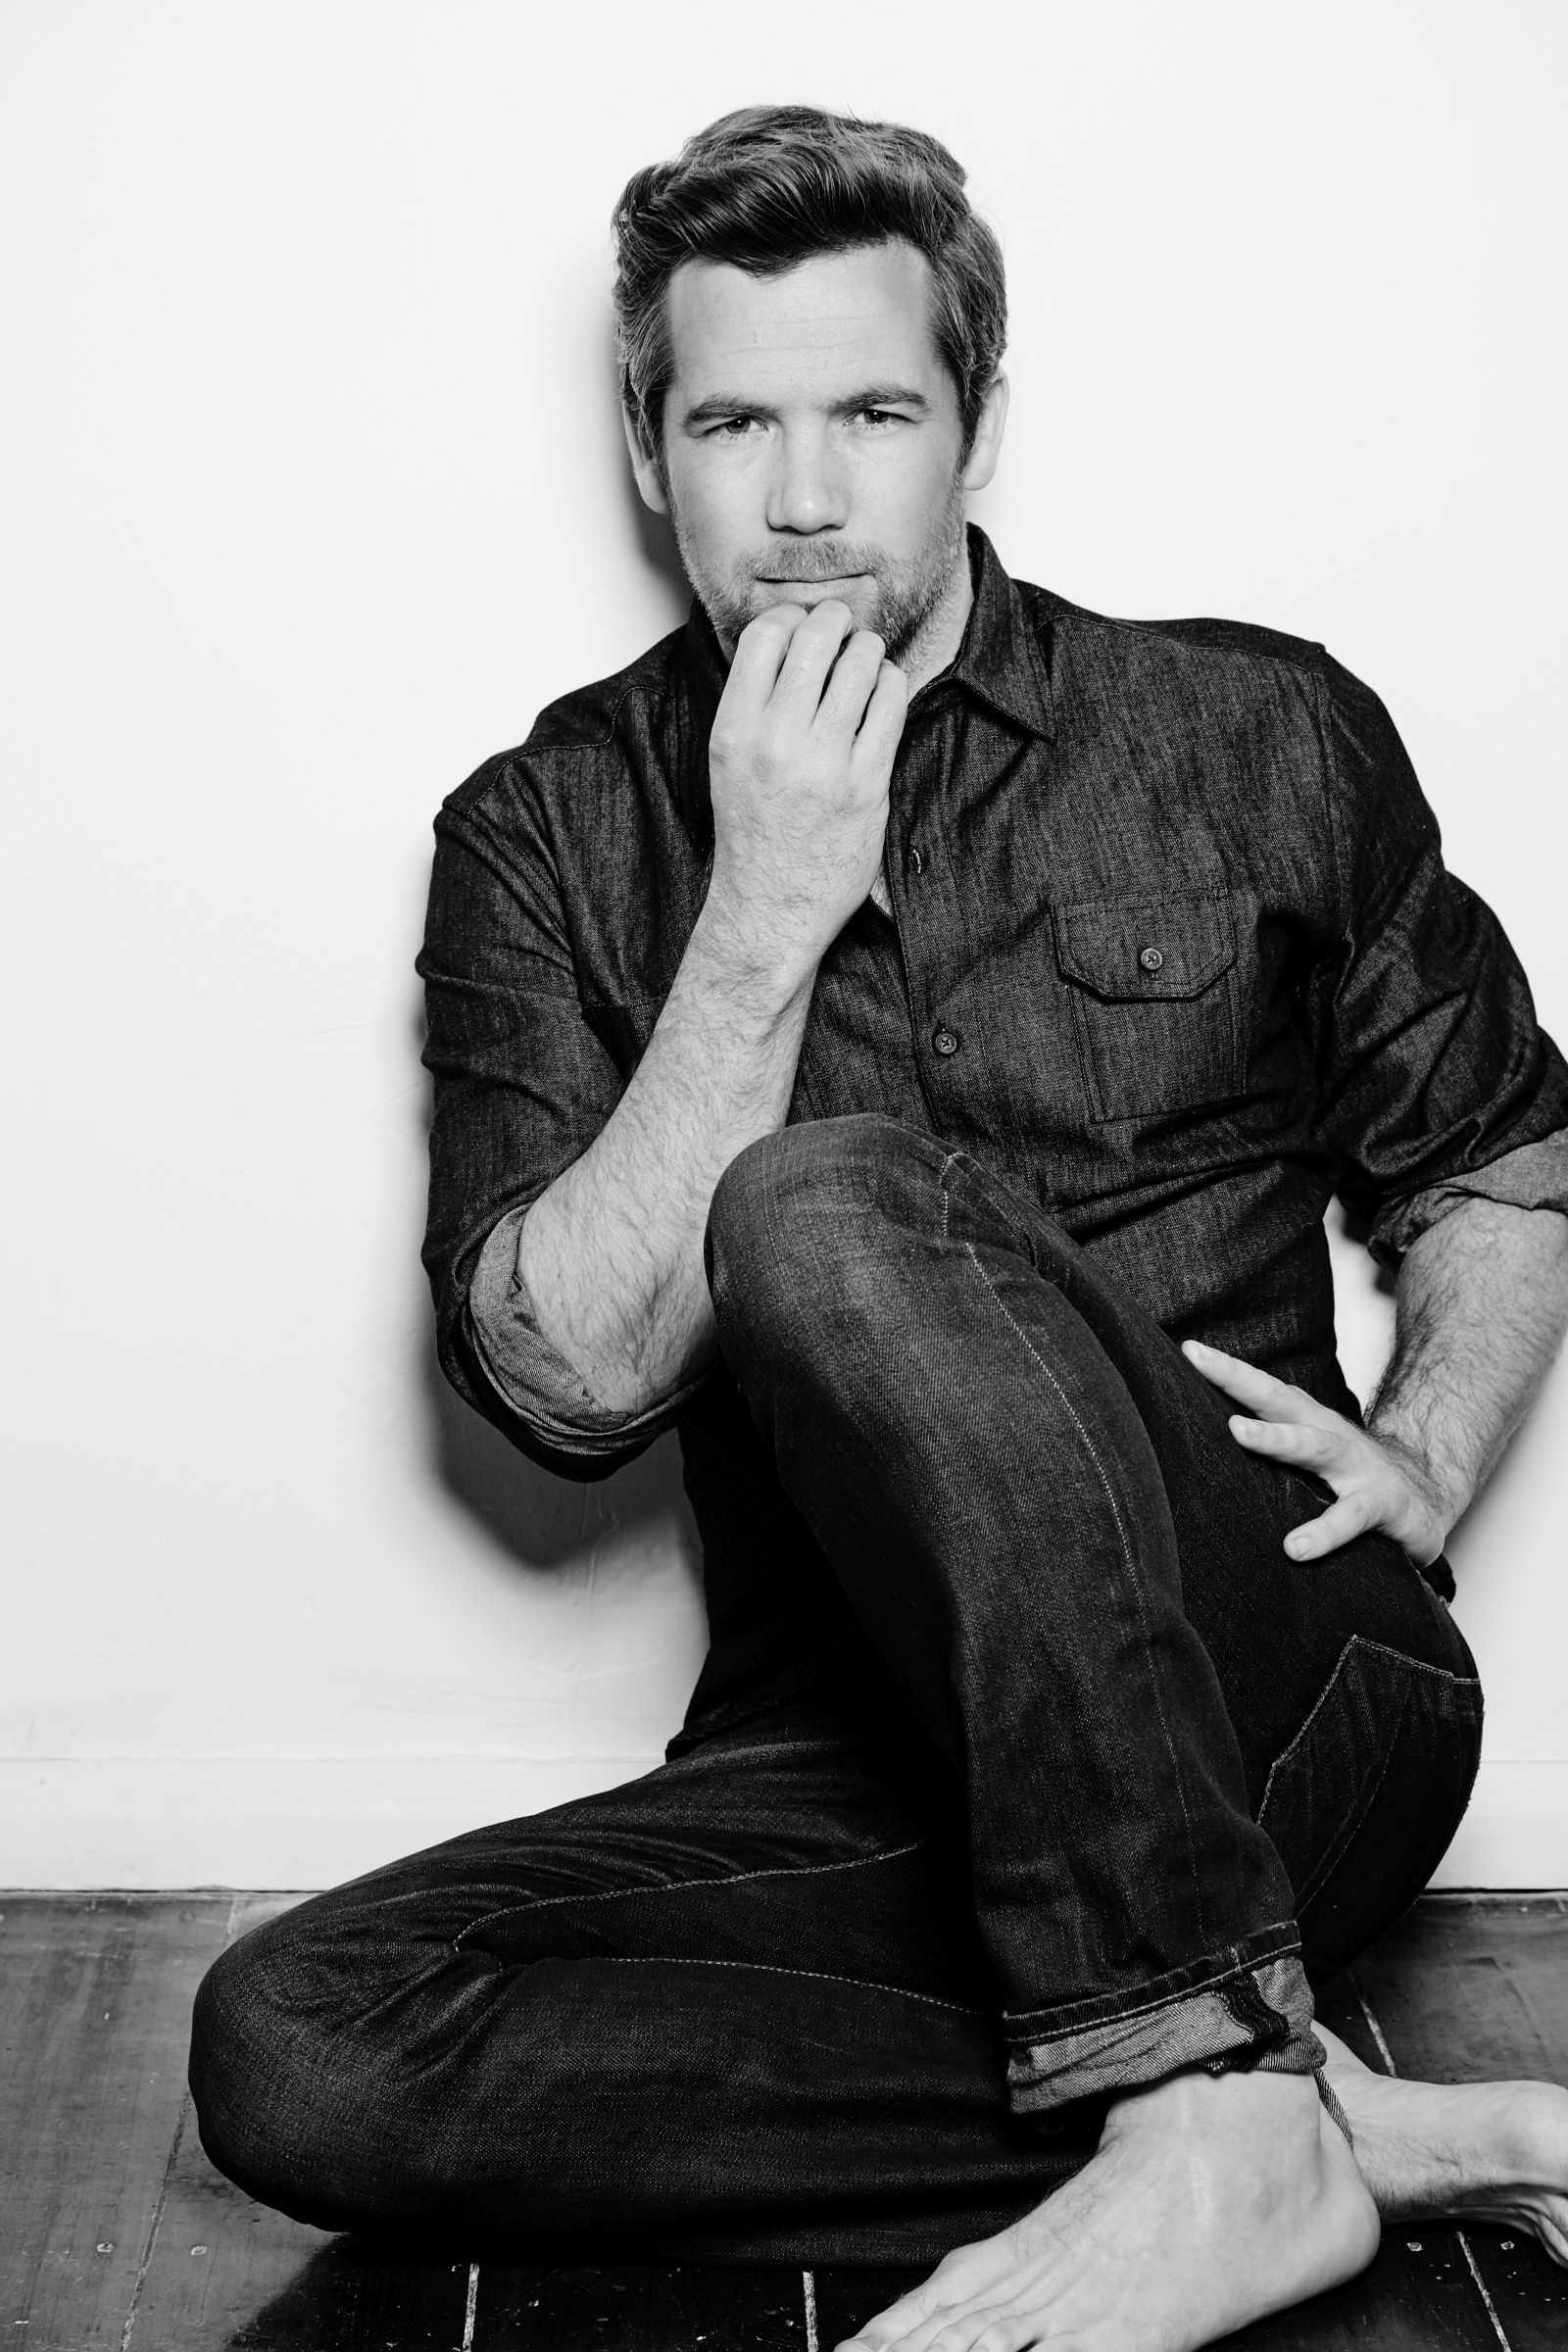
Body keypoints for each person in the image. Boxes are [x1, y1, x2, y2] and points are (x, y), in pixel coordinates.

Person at [188, 105, 1568, 2351]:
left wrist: (1423, 1449)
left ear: (976, 428)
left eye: (873, 414)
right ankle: (1289, 2107)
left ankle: (1204, 2084)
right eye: (733, 418)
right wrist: (755, 913)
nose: (806, 499)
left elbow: (1501, 1150)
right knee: (301, 2043)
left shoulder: (1253, 729)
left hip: (1285, 1708)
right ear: (649, 451)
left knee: (815, 1200)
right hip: (853, 1771)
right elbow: (561, 1385)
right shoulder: (543, 830)